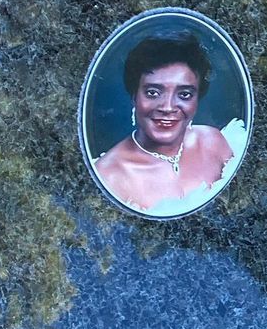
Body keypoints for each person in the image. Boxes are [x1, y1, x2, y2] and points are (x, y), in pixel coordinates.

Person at [91, 32, 240, 215]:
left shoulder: (213, 142)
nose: (168, 107)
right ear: (134, 96)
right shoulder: (109, 176)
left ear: (197, 100)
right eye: (153, 92)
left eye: (184, 94)